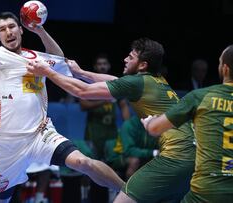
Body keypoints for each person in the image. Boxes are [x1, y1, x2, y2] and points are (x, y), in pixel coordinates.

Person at [0, 11, 124, 203]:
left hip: (41, 134)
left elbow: (59, 57)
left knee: (83, 162)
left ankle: (130, 191)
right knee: (0, 198)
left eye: (12, 27)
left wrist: (40, 30)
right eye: (2, 29)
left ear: (21, 30)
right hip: (8, 144)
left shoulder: (37, 58)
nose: (8, 32)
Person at [27, 37, 196, 203]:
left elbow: (82, 92)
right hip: (194, 159)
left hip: (176, 157)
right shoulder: (157, 80)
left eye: (130, 57)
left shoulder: (137, 83)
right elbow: (115, 81)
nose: (125, 59)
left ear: (143, 65)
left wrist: (47, 72)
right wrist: (80, 72)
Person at [141, 45, 233, 202]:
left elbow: (155, 129)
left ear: (224, 68)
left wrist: (149, 122)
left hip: (206, 191)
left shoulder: (201, 96)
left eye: (218, 62)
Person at [80, 53, 130, 159]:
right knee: (93, 163)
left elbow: (124, 106)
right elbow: (83, 105)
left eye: (104, 64)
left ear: (109, 66)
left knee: (112, 161)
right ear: (95, 66)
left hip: (111, 130)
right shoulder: (88, 83)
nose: (102, 66)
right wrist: (104, 100)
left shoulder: (116, 83)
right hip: (93, 131)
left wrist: (127, 126)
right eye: (99, 64)